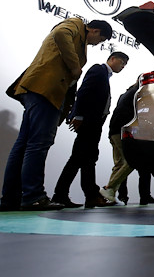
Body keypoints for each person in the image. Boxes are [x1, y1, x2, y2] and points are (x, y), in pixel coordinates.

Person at [0, 18, 112, 211]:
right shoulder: (75, 24)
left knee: (24, 145)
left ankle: (11, 198)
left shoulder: (78, 35)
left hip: (38, 90)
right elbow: (60, 34)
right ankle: (34, 196)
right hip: (46, 91)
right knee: (38, 144)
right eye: (100, 40)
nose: (97, 44)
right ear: (94, 30)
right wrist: (75, 67)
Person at [51, 51, 128, 208]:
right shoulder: (98, 70)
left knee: (88, 159)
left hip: (94, 123)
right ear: (112, 59)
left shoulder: (105, 75)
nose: (123, 66)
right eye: (122, 62)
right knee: (78, 158)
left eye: (125, 65)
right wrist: (78, 116)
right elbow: (83, 92)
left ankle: (90, 195)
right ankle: (61, 195)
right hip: (88, 122)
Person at [99, 83, 154, 206]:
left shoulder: (125, 94)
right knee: (132, 162)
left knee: (120, 164)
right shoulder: (139, 95)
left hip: (114, 131)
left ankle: (115, 195)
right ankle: (108, 188)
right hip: (123, 132)